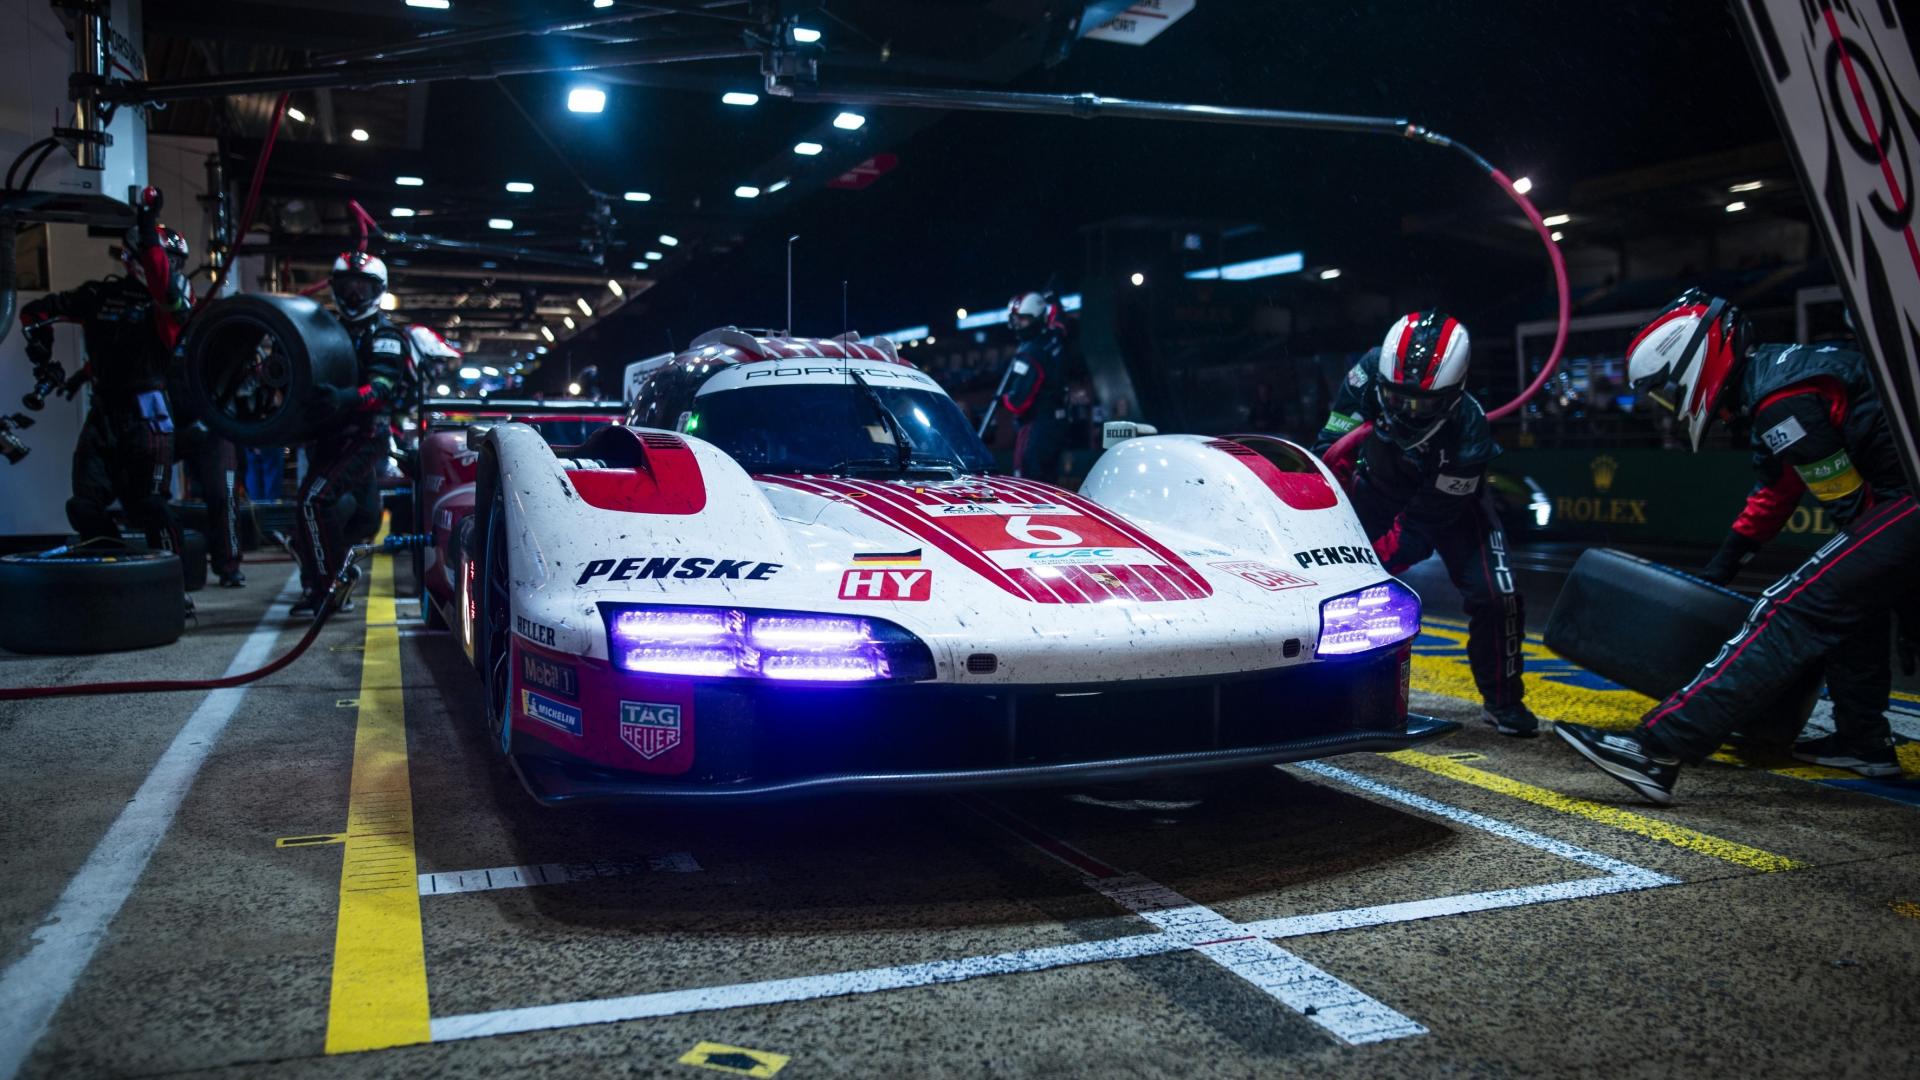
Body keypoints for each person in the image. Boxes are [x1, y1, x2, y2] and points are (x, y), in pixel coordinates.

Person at [1557, 291, 1916, 802]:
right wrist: (1718, 570)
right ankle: (1865, 741)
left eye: (1667, 391)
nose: (1669, 406)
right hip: (1905, 499)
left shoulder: (1780, 401)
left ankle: (1657, 749)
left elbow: (1854, 513)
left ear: (1695, 365)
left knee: (1791, 609)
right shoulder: (1771, 384)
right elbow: (1778, 491)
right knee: (1846, 599)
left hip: (1909, 501)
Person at [1313, 311, 1537, 737]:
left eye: (1423, 403)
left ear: (1455, 393)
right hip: (1376, 485)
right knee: (1331, 587)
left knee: (1498, 596)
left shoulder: (1470, 439)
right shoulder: (1365, 375)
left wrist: (1371, 566)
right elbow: (1327, 450)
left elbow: (1418, 531)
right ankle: (1324, 692)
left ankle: (1504, 701)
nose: (1409, 412)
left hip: (1449, 504)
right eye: (1397, 399)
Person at [18, 186, 190, 562]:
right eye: (166, 259)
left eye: (176, 262)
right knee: (82, 507)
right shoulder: (98, 295)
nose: (170, 267)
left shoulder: (171, 306)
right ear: (132, 257)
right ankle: (119, 570)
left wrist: (146, 223)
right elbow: (34, 315)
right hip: (105, 410)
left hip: (151, 414)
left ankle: (175, 589)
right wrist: (42, 355)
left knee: (151, 506)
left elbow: (161, 282)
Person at [291, 252, 409, 616]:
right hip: (326, 435)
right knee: (363, 518)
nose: (354, 294)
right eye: (348, 287)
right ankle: (327, 574)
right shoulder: (325, 327)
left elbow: (382, 388)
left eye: (362, 287)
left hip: (363, 436)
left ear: (377, 290)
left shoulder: (385, 334)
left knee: (313, 501)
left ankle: (327, 587)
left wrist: (344, 398)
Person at [999, 291, 1068, 483]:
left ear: (1036, 318)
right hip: (1058, 423)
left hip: (1036, 426)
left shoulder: (1030, 353)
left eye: (1024, 319)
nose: (1019, 324)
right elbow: (1060, 322)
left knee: (1028, 482)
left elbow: (1017, 402)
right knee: (1050, 481)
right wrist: (1054, 301)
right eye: (1017, 319)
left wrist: (1004, 397)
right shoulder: (1055, 336)